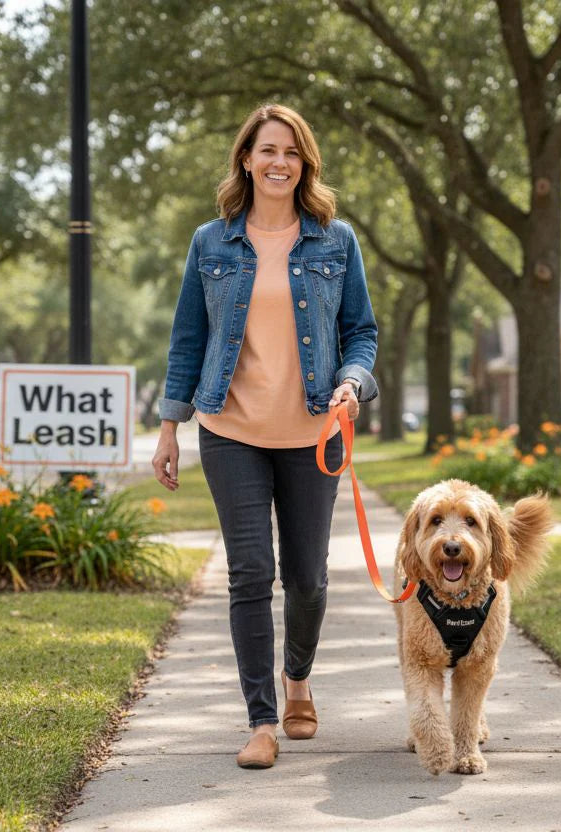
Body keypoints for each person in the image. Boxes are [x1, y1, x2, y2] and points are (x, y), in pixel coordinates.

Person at [151, 103, 379, 770]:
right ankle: (260, 720)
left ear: (304, 163)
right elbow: (187, 339)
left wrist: (352, 380)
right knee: (251, 572)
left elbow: (361, 331)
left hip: (314, 431)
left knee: (307, 577)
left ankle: (298, 680)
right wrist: (169, 427)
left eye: (292, 151)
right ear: (245, 160)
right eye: (267, 150)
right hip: (231, 430)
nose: (279, 162)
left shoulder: (336, 240)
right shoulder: (210, 243)